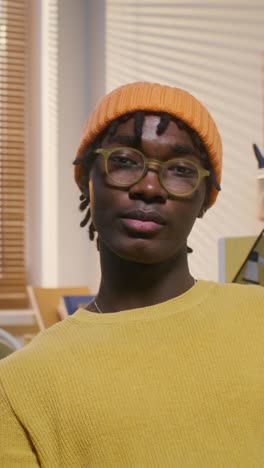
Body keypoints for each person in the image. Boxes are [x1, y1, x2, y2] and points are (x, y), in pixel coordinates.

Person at [0, 81, 264, 467]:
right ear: (86, 180)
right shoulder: (19, 385)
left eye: (179, 169)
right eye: (123, 160)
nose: (149, 187)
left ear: (205, 198)